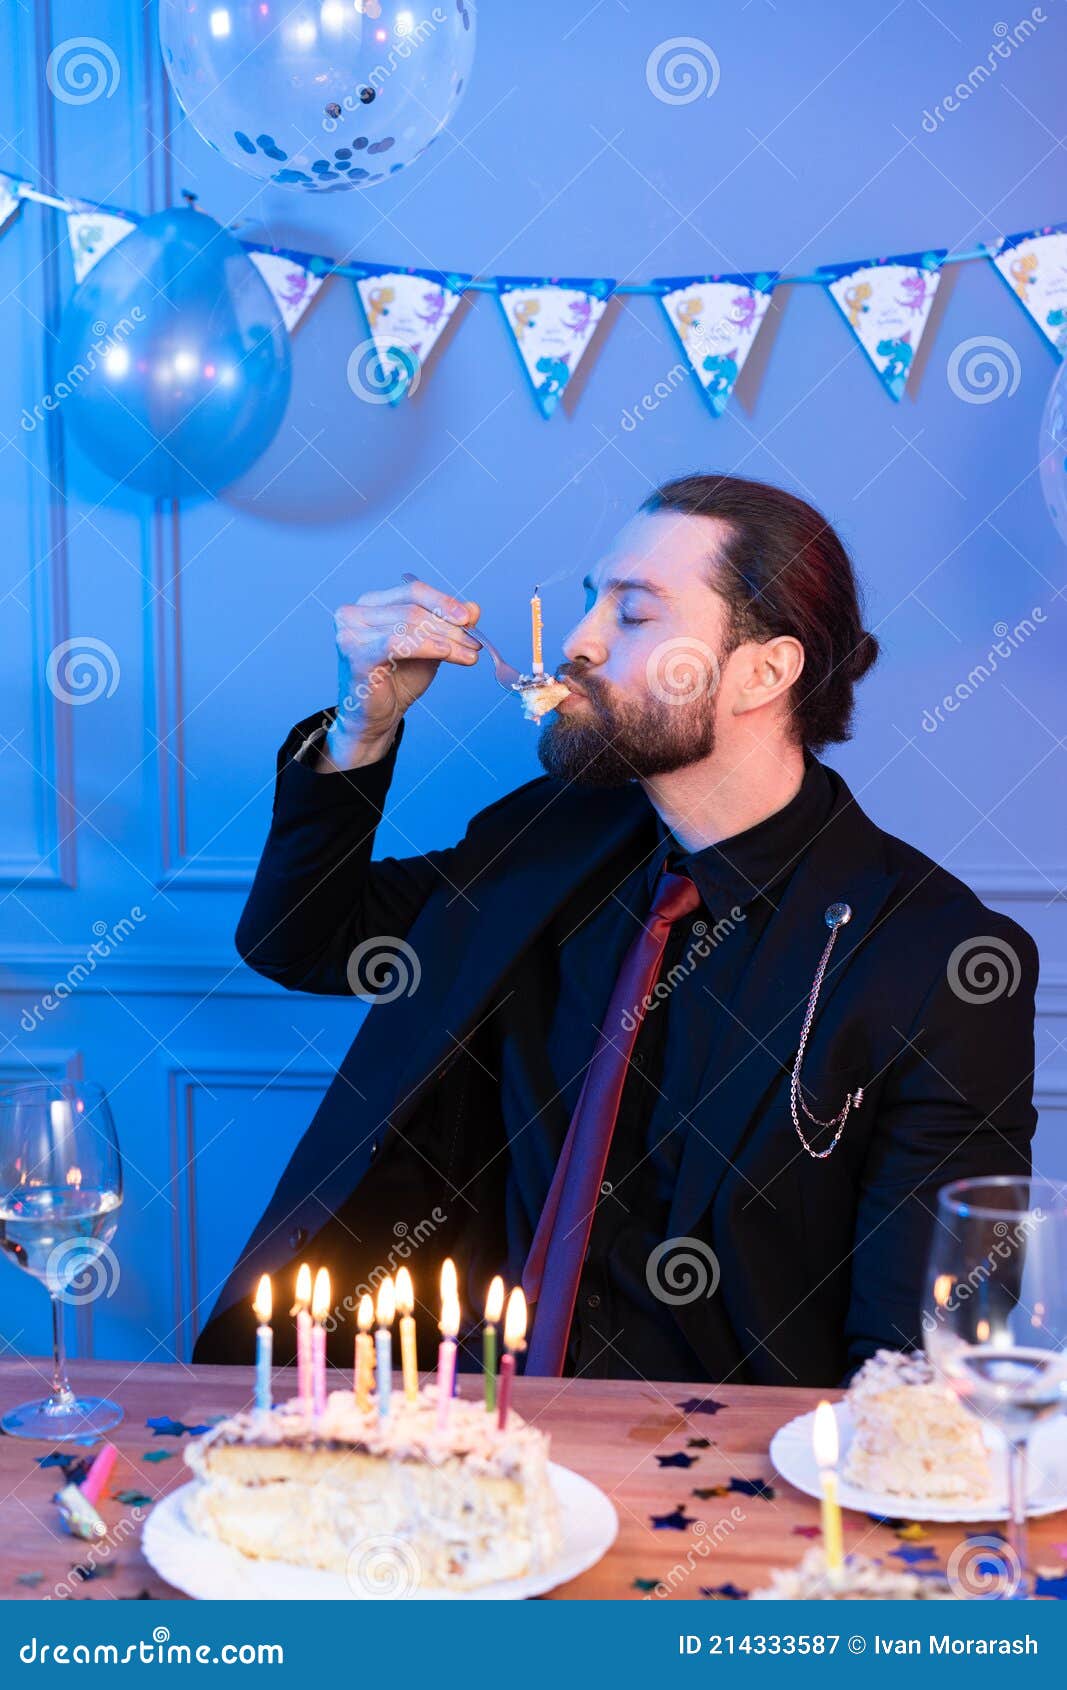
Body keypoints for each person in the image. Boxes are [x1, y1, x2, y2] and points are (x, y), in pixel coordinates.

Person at [193, 473, 1038, 1386]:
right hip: (472, 1432)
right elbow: (303, 940)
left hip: (732, 1476)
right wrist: (364, 725)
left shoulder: (936, 958)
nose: (576, 643)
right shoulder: (550, 836)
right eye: (589, 604)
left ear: (763, 671)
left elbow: (915, 1360)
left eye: (632, 616)